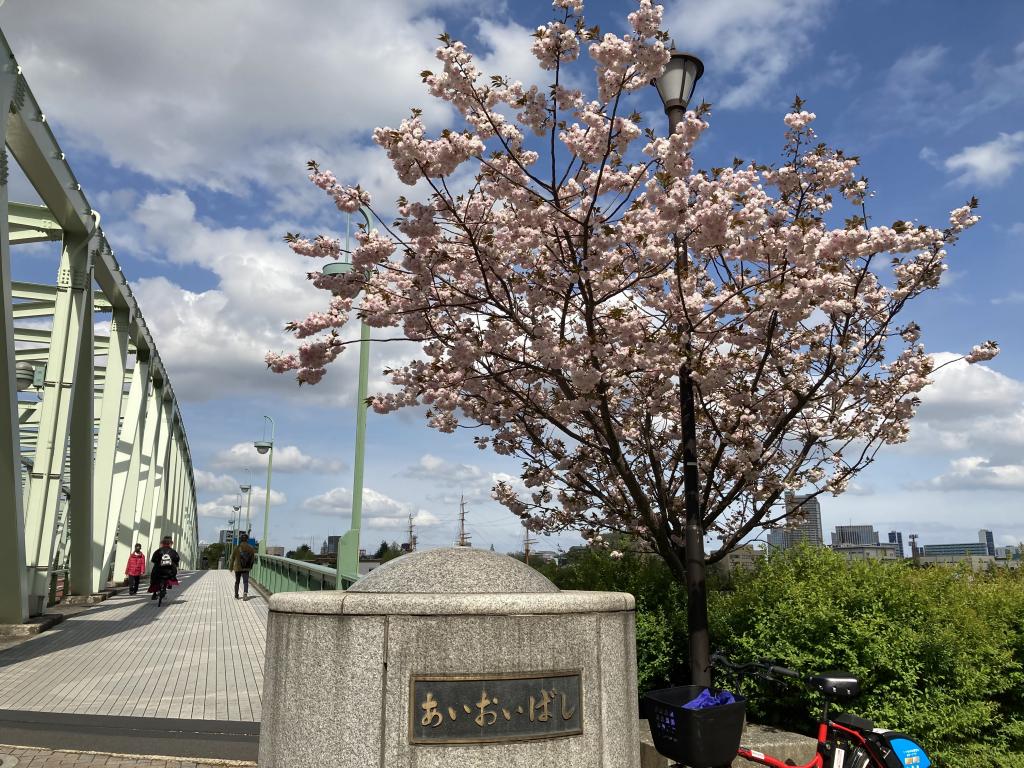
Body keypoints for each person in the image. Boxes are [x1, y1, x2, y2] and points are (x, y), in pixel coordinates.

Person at [149, 535, 180, 599]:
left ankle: (154, 593)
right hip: (169, 572)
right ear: (170, 543)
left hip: (159, 571)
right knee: (173, 573)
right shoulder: (173, 552)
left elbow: (153, 560)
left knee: (153, 577)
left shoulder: (158, 551)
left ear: (162, 543)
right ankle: (169, 584)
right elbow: (177, 559)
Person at [230, 531, 257, 601]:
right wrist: (250, 566)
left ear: (240, 539)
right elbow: (253, 559)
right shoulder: (251, 548)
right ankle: (245, 594)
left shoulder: (237, 547)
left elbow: (232, 558)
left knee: (237, 581)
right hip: (246, 568)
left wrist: (230, 568)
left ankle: (236, 595)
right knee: (245, 581)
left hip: (238, 567)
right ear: (247, 539)